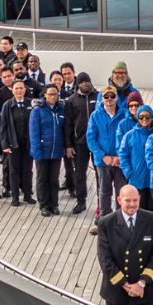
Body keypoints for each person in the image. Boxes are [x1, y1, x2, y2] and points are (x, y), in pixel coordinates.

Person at [96, 185, 153, 305]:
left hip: (144, 288)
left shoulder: (152, 219)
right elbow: (105, 260)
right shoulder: (106, 223)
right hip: (116, 288)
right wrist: (126, 285)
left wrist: (141, 283)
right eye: (128, 201)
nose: (132, 204)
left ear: (139, 199)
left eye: (135, 200)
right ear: (119, 200)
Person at [86, 85, 125, 229]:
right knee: (104, 191)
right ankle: (104, 222)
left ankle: (121, 221)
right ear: (102, 98)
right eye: (106, 96)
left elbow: (127, 138)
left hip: (119, 161)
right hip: (102, 162)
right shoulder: (95, 116)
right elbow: (91, 139)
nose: (109, 99)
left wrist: (119, 157)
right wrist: (103, 156)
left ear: (116, 98)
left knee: (121, 191)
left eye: (112, 96)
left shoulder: (124, 114)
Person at [29, 82, 66, 216]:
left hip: (56, 150)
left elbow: (64, 129)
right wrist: (36, 151)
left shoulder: (61, 109)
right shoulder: (37, 110)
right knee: (42, 178)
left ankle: (54, 204)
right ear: (44, 95)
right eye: (50, 94)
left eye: (55, 94)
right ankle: (43, 204)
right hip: (42, 150)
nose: (53, 97)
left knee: (54, 179)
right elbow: (34, 132)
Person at [0, 78, 35, 206]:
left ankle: (27, 194)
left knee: (28, 170)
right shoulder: (7, 105)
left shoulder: (31, 103)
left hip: (28, 144)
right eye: (16, 88)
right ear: (12, 91)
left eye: (21, 88)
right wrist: (5, 144)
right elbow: (3, 127)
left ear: (25, 89)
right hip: (13, 144)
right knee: (14, 171)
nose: (19, 90)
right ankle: (15, 196)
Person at [63, 71, 95, 211]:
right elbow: (68, 124)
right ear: (78, 84)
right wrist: (68, 145)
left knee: (100, 173)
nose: (85, 84)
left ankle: (102, 203)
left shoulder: (99, 97)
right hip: (79, 142)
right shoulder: (71, 100)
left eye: (87, 81)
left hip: (96, 142)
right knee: (79, 174)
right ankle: (81, 201)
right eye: (82, 82)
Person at [117, 104, 153, 211]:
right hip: (137, 179)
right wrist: (128, 172)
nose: (144, 119)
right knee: (138, 210)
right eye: (141, 117)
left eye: (147, 117)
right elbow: (123, 154)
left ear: (152, 117)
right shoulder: (130, 135)